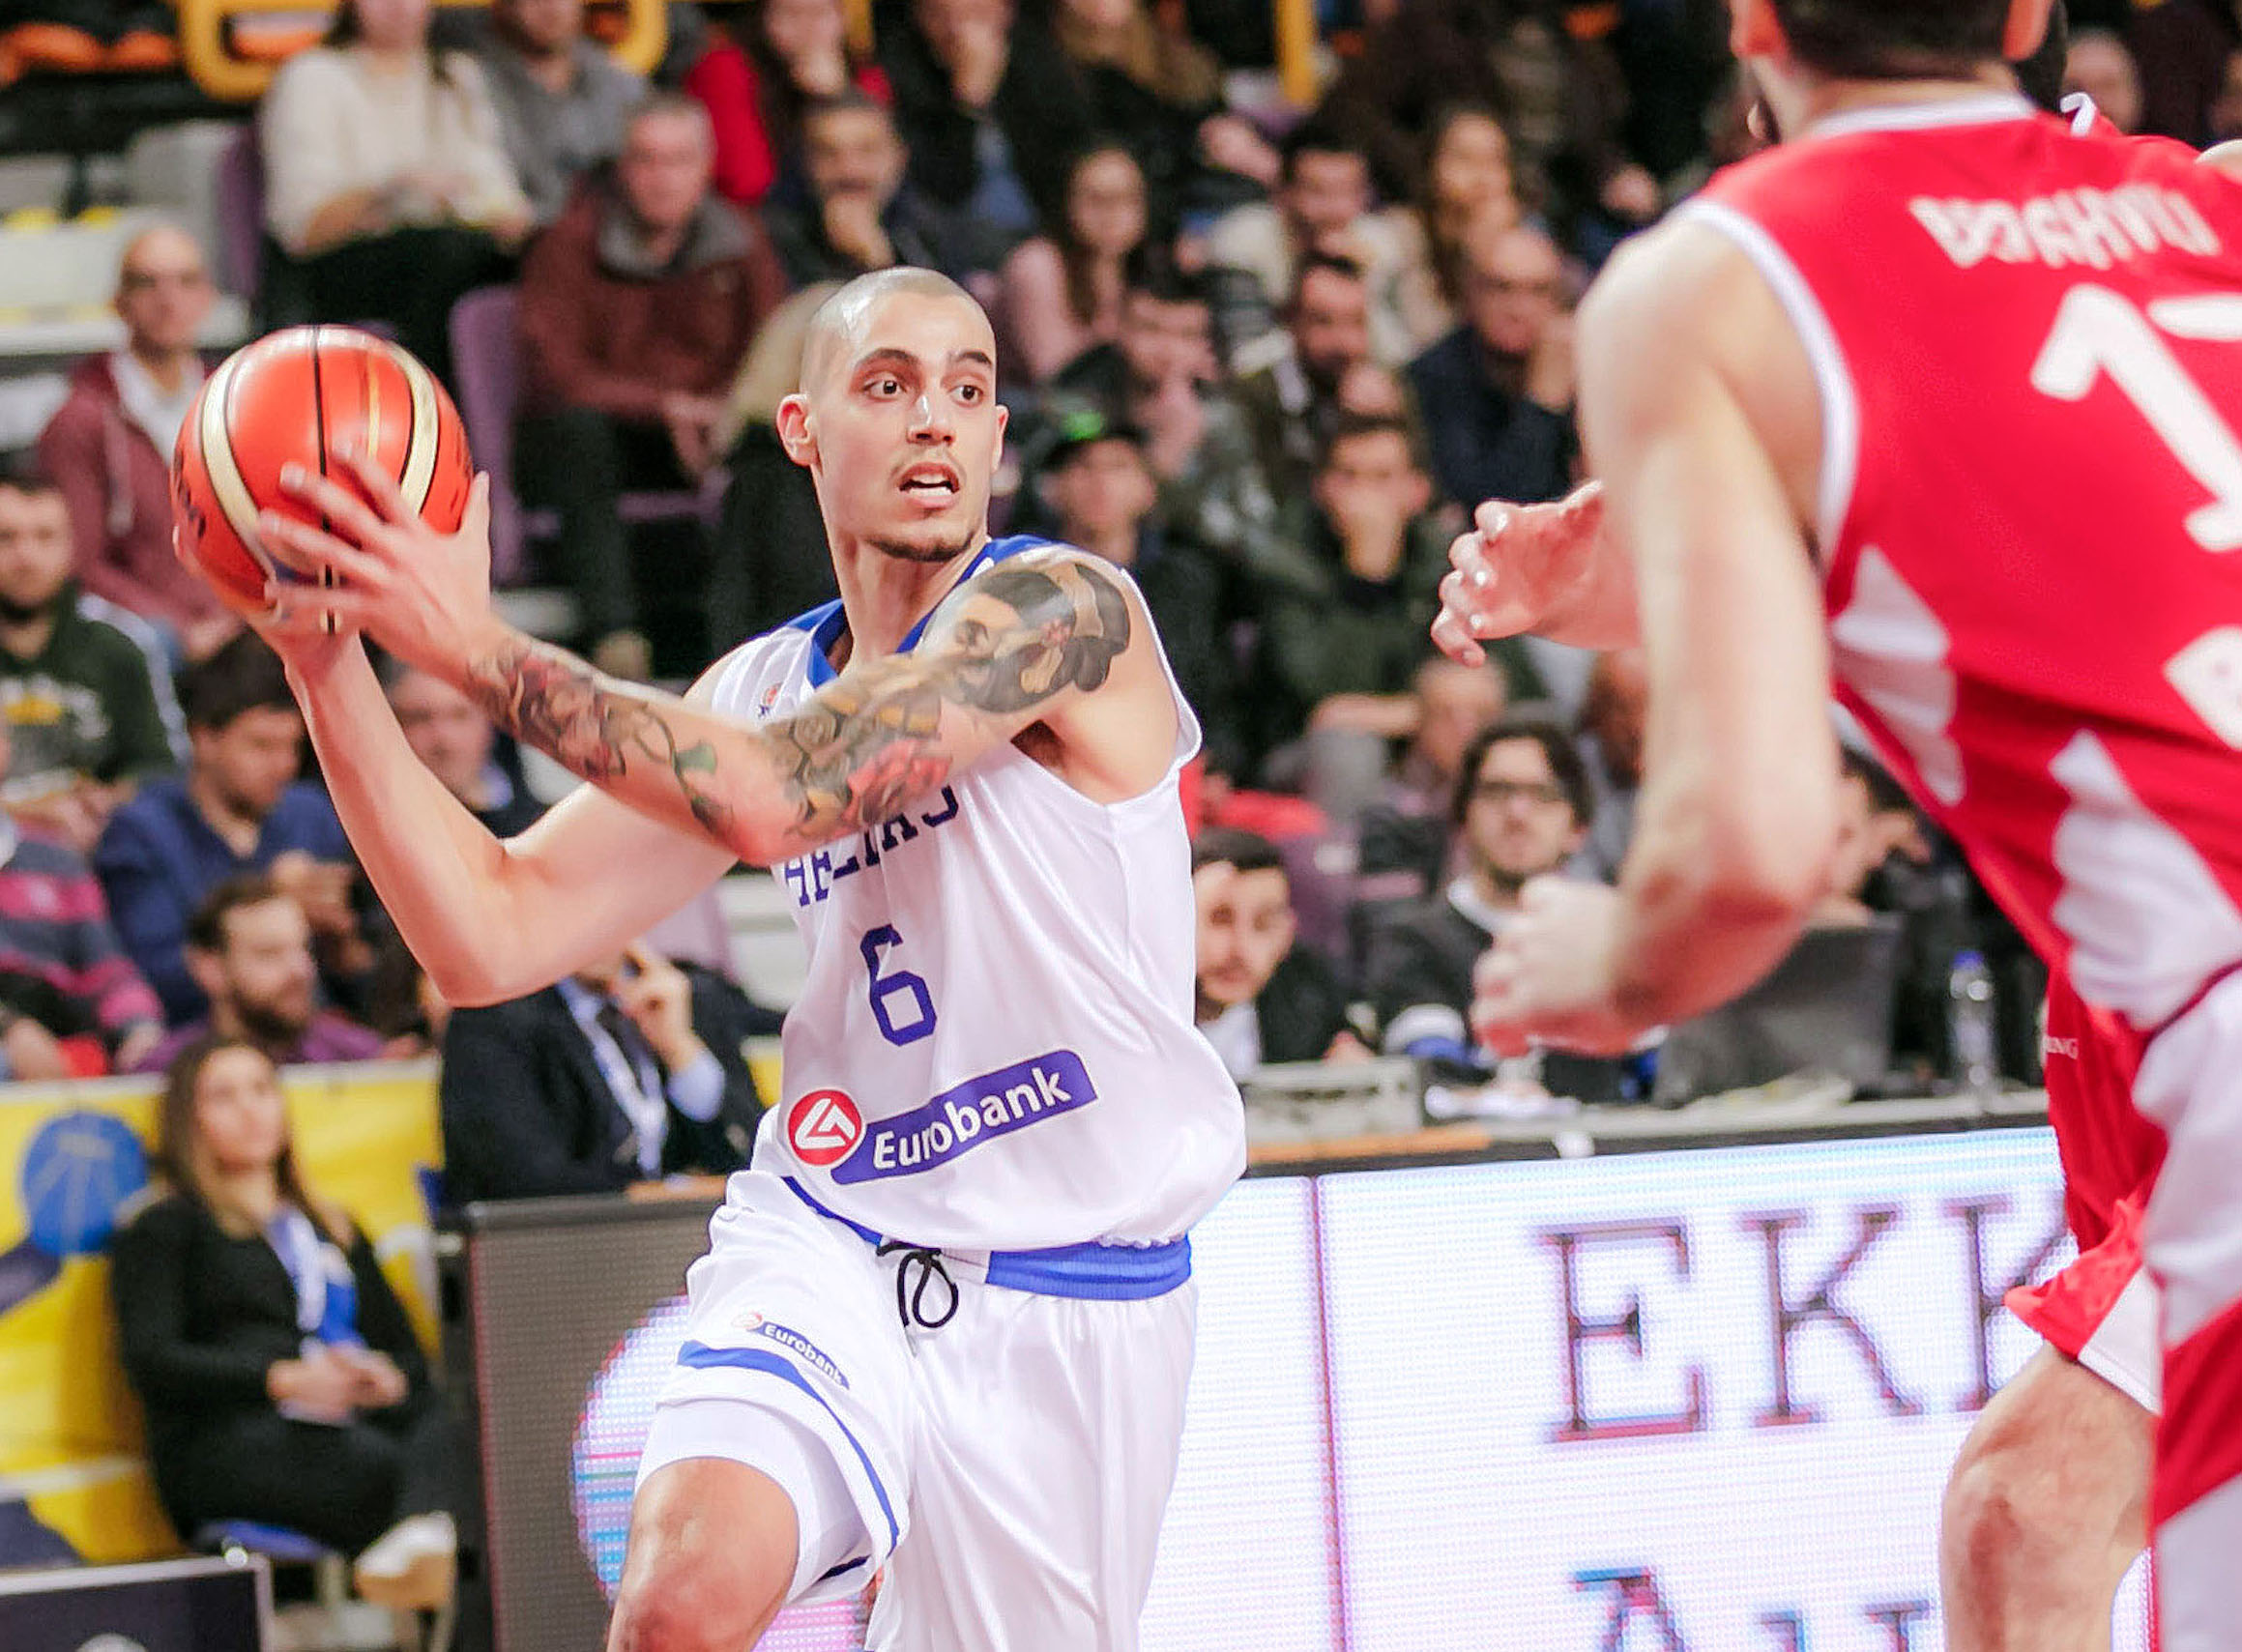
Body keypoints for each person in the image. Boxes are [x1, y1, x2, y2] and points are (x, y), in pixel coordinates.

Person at [241, 263, 1246, 1651]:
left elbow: (784, 795)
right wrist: (324, 664)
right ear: (801, 430)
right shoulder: (762, 687)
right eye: (887, 385)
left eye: (966, 390)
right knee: (678, 1602)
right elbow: (488, 935)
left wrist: (467, 644)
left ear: (998, 437)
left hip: (1069, 1293)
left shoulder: (1065, 612)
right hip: (833, 1231)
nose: (934, 418)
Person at [1430, 3, 2242, 1642]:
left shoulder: (1717, 278)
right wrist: (1611, 563)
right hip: (2158, 1025)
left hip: (2210, 1013)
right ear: (2023, 19)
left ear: (1749, 29)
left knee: (2024, 1517)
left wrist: (1612, 956)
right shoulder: (2200, 201)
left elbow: (1747, 855)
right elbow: (1980, 474)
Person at [107, 1037, 455, 1608]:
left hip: (352, 1421)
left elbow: (407, 1357)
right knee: (378, 1465)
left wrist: (384, 1379)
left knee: (461, 1428)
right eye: (224, 1096)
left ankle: (414, 1551)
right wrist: (281, 1379)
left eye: (262, 1090)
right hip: (232, 1436)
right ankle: (412, 1550)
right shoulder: (165, 1228)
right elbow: (154, 1361)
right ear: (188, 1120)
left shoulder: (334, 1227)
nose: (250, 1109)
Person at [515, 93, 788, 678]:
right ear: (621, 168)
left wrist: (726, 413)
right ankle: (616, 636)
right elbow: (556, 375)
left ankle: (751, 654)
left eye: (679, 160)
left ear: (706, 168)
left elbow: (777, 346)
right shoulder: (568, 243)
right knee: (574, 434)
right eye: (646, 160)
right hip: (606, 433)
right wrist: (666, 407)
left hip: (712, 426)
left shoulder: (741, 240)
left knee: (779, 446)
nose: (662, 179)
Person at [257, 0, 530, 386]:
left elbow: (500, 196)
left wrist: (512, 224)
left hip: (457, 249)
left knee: (544, 259)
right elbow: (303, 230)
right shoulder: (311, 77)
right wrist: (394, 191)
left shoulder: (457, 75)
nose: (399, 7)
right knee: (441, 258)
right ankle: (430, 407)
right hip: (341, 266)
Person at [95, 634, 360, 1027]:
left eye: (292, 746)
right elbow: (156, 975)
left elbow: (363, 973)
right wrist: (268, 901)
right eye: (261, 746)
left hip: (320, 1036)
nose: (284, 765)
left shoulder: (312, 814)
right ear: (203, 739)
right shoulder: (141, 832)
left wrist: (345, 945)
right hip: (200, 1040)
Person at [1362, 716, 1631, 1098]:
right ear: (1463, 819)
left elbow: (1663, 1077)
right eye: (1496, 791)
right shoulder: (1414, 941)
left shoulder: (1610, 941)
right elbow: (1430, 1081)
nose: (1517, 813)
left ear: (1578, 829)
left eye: (1543, 793)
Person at [36, 225, 238, 657]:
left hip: (234, 617)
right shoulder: (81, 420)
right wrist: (182, 630)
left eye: (186, 281)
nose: (169, 300)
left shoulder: (233, 404)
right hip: (146, 630)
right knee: (152, 645)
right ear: (119, 302)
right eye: (148, 283)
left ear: (207, 297)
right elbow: (78, 563)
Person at [438, 942, 771, 1203]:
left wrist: (679, 1049)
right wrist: (649, 1197)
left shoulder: (681, 997)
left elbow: (757, 1157)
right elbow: (518, 1178)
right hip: (568, 1249)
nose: (599, 926)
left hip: (690, 1242)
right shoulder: (492, 1019)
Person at [1244, 411, 1451, 814]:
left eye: (1382, 477)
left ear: (1418, 490)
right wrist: (1365, 580)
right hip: (1303, 752)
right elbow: (1321, 695)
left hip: (1424, 738)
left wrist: (1412, 713)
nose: (1364, 496)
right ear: (1322, 487)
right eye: (1348, 476)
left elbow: (1501, 683)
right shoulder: (1289, 559)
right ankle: (1341, 856)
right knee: (1349, 747)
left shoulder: (1442, 557)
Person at [0, 462, 184, 855]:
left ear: (71, 546)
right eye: (6, 538)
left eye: (45, 537)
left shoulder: (119, 645)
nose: (26, 556)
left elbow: (162, 769)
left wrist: (109, 799)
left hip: (96, 854)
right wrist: (33, 813)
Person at [0, 720, 164, 1078]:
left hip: (61, 1039)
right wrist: (8, 1027)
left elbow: (106, 969)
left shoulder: (56, 860)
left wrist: (139, 1029)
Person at [1204, 124, 1415, 367]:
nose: (1335, 209)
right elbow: (1247, 358)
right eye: (1318, 191)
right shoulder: (1242, 243)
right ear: (1283, 192)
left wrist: (1363, 282)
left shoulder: (1379, 244)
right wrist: (1310, 275)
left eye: (1348, 191)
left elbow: (1397, 360)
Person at [1406, 215, 1576, 516]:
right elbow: (1486, 511)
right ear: (1469, 292)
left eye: (1538, 291)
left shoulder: (1584, 370)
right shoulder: (1432, 379)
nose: (1519, 309)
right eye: (1501, 288)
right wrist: (1542, 406)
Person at [132, 876, 388, 1074]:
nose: (301, 970)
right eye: (270, 953)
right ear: (210, 969)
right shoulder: (160, 1077)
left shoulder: (361, 1060)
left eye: (305, 949)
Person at [684, 0, 892, 211]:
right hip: (764, 217)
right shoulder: (726, 70)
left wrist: (838, 95)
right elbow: (747, 183)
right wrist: (813, 100)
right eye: (791, 14)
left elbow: (885, 173)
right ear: (763, 18)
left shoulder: (865, 79)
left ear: (843, 19)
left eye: (820, 13)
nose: (807, 28)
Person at [1190, 827, 1361, 1078]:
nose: (1241, 949)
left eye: (1263, 924)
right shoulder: (1137, 1011)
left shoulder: (1312, 1001)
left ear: (1287, 934)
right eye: (1219, 919)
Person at [764, 92, 979, 289]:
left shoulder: (935, 230)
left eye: (867, 150)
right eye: (828, 153)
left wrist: (881, 264)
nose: (850, 170)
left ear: (899, 157)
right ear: (805, 162)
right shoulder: (772, 238)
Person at [473, 0, 646, 228]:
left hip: (618, 236)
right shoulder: (471, 86)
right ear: (503, 7)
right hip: (516, 240)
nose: (552, 8)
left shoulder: (622, 85)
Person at [997, 144, 1150, 386]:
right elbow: (1056, 378)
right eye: (1097, 200)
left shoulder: (1146, 267)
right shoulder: (1037, 265)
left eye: (1127, 198)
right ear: (1066, 201)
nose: (1113, 213)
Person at [381, 656, 545, 836]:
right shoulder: (369, 833)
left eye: (460, 716)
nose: (445, 739)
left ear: (490, 722)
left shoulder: (545, 830)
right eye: (419, 718)